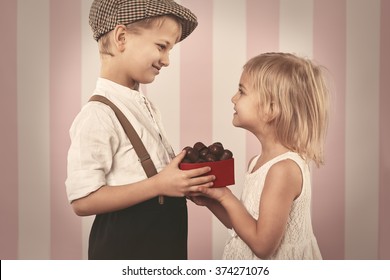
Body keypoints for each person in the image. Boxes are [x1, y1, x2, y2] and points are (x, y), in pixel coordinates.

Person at [65, 0, 215, 260]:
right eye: (161, 46)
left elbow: (143, 173)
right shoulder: (98, 114)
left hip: (162, 243)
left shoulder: (143, 105)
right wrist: (159, 185)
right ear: (121, 37)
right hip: (125, 248)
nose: (167, 60)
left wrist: (180, 184)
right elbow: (82, 200)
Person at [190, 52, 329, 259]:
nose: (233, 98)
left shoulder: (283, 170)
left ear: (271, 109)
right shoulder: (258, 162)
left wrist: (225, 196)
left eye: (241, 91)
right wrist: (211, 201)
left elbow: (263, 246)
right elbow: (244, 224)